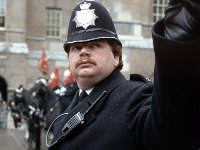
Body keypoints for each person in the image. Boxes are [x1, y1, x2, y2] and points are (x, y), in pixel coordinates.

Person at [47, 1, 200, 150]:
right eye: (76, 47)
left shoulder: (135, 98)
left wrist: (177, 47)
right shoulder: (69, 107)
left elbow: (170, 134)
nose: (83, 52)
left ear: (116, 57)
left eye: (95, 45)